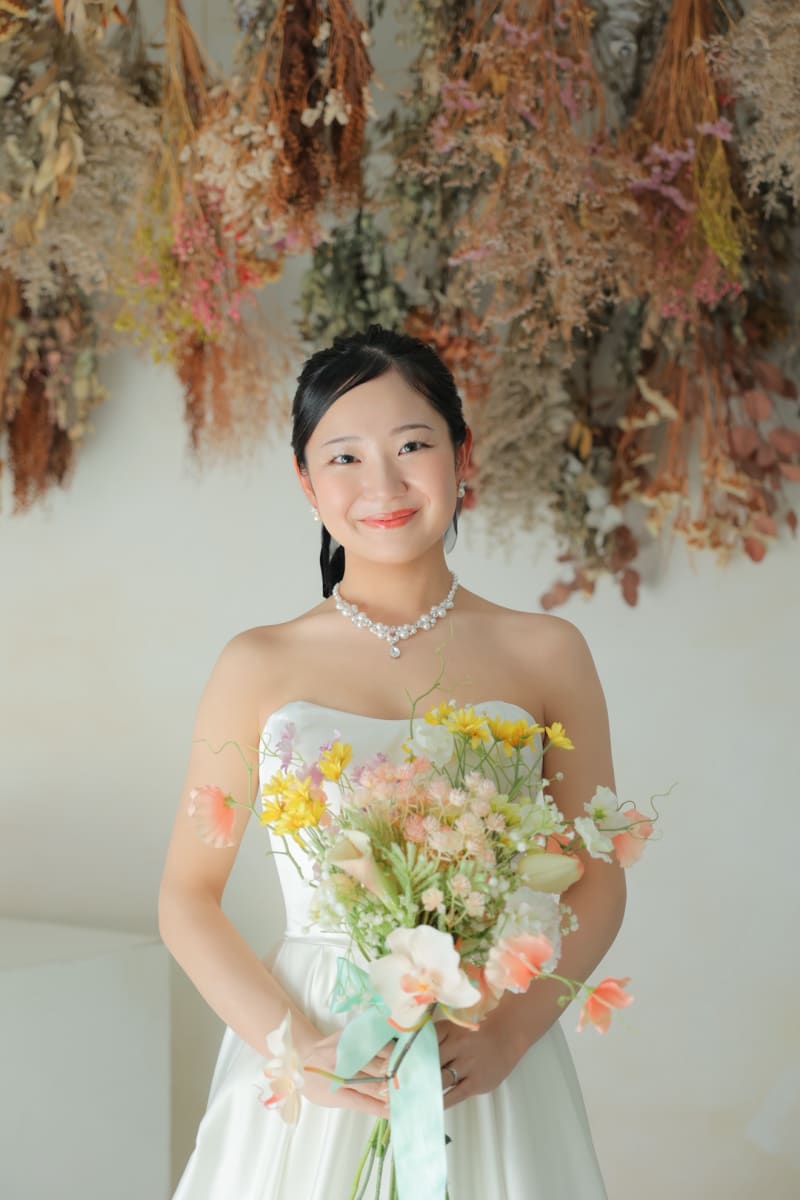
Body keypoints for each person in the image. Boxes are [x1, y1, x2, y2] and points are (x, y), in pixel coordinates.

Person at [159, 325, 626, 1198]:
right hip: (317, 1049)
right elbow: (186, 899)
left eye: (412, 446)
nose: (382, 484)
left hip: (477, 1044)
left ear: (462, 454)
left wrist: (509, 1035)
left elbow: (596, 879)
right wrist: (296, 1046)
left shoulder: (546, 652)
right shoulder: (257, 663)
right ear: (307, 482)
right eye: (344, 457)